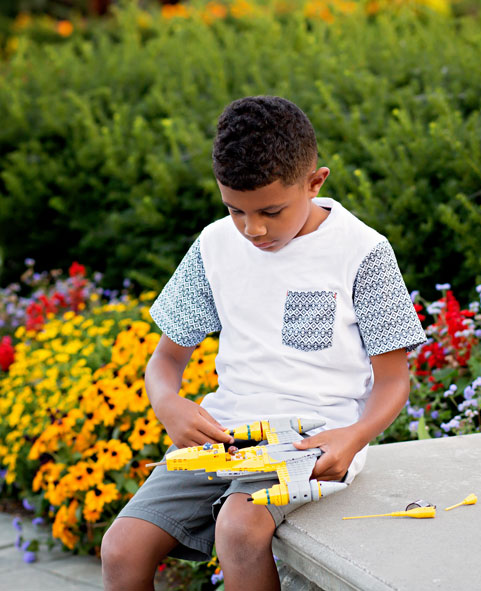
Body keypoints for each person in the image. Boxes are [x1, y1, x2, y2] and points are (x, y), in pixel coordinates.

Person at [100, 95, 426, 591]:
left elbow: (393, 381)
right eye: (235, 211)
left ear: (315, 182)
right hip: (224, 438)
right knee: (121, 550)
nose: (253, 229)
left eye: (270, 211)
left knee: (238, 527)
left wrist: (354, 436)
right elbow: (166, 359)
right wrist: (168, 403)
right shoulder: (213, 245)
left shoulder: (363, 252)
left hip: (315, 439)